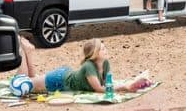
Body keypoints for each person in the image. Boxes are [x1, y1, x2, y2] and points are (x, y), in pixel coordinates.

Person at [12, 38, 150, 95]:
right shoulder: (89, 66)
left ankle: (28, 52)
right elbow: (99, 89)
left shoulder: (105, 63)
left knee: (31, 80)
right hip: (59, 80)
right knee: (20, 85)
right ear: (95, 54)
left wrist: (132, 83)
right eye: (102, 49)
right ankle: (23, 51)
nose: (106, 50)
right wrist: (125, 87)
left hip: (66, 76)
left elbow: (108, 83)